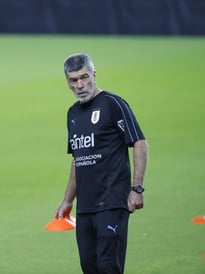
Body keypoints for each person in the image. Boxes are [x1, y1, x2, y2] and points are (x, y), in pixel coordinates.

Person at [55, 53, 148, 274]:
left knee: (108, 267)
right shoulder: (73, 113)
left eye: (84, 77)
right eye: (73, 80)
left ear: (94, 75)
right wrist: (68, 200)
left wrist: (137, 188)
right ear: (67, 83)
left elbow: (139, 143)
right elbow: (78, 160)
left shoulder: (113, 103)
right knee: (90, 267)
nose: (79, 85)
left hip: (112, 202)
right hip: (85, 206)